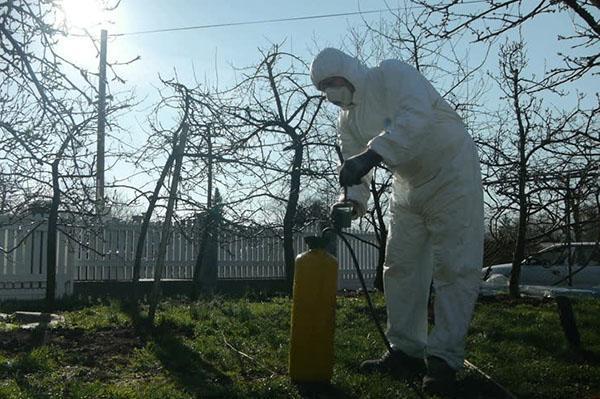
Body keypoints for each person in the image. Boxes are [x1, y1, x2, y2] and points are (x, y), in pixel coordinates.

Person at [310, 48, 484, 395]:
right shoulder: (348, 121)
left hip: (451, 171)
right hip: (408, 184)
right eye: (322, 88)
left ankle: (444, 361)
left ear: (349, 72)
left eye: (332, 82)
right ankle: (405, 351)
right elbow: (354, 171)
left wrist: (372, 155)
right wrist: (349, 203)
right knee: (400, 267)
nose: (330, 93)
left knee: (453, 267)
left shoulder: (391, 75)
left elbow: (415, 118)